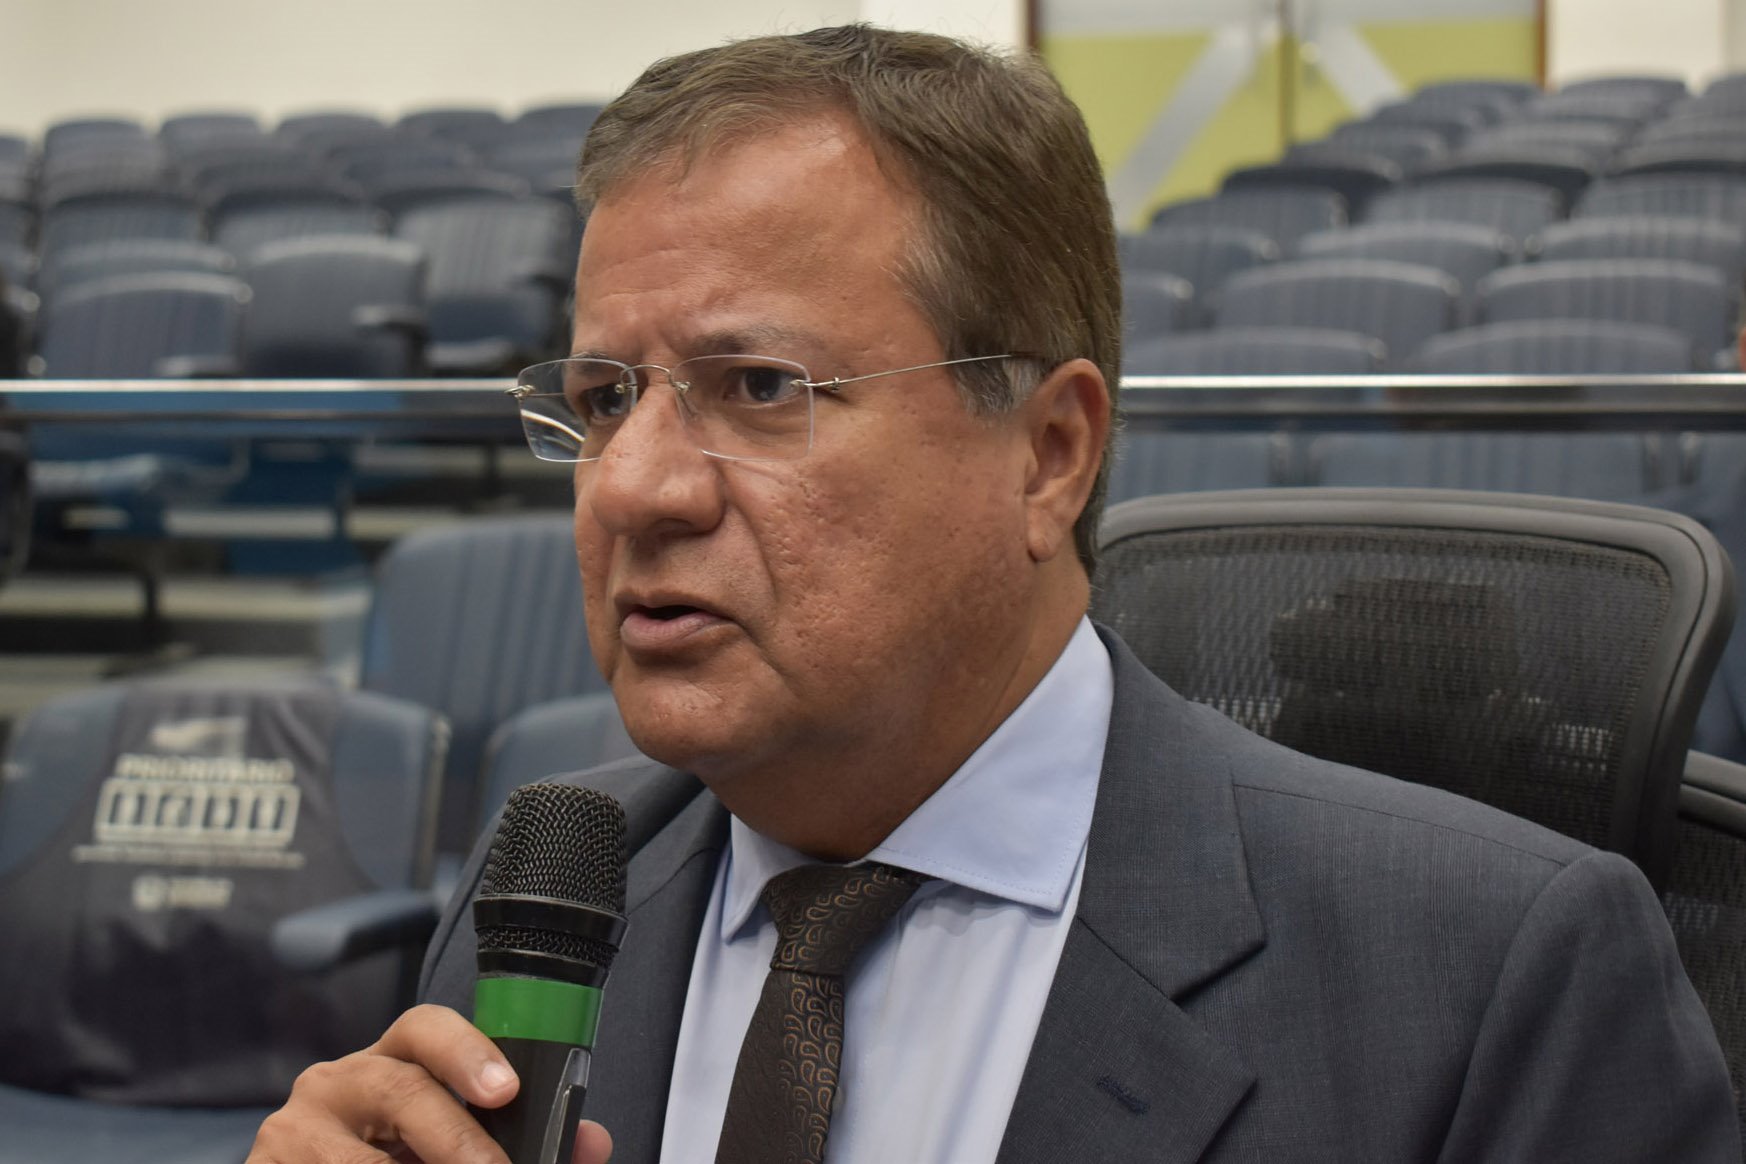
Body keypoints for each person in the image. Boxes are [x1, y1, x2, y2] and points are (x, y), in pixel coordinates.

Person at [249, 25, 1740, 1164]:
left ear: (1047, 453)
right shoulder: (557, 898)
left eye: (759, 387)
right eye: (601, 396)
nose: (631, 487)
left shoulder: (1497, 976)